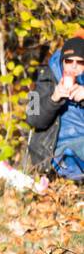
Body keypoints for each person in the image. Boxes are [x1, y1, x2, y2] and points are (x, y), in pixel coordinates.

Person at [27, 36, 84, 181]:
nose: (74, 66)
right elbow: (32, 119)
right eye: (69, 61)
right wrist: (53, 99)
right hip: (54, 150)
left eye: (80, 62)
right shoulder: (41, 78)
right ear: (62, 61)